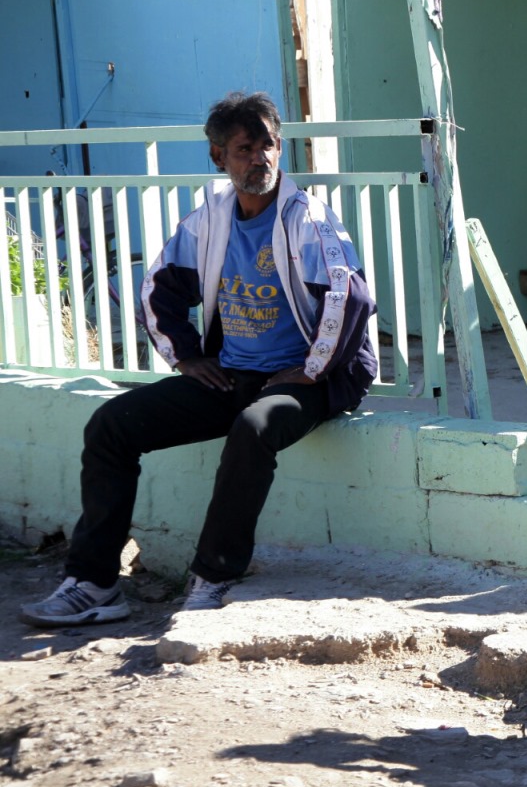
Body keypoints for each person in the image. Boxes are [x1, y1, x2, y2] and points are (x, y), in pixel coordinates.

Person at [20, 92, 377, 625]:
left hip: (310, 380)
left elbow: (349, 297)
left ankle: (214, 576)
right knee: (112, 424)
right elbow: (158, 288)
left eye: (269, 146)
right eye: (245, 148)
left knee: (253, 428)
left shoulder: (307, 220)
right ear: (218, 157)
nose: (260, 158)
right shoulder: (210, 218)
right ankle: (94, 585)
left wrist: (309, 369)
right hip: (233, 373)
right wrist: (187, 357)